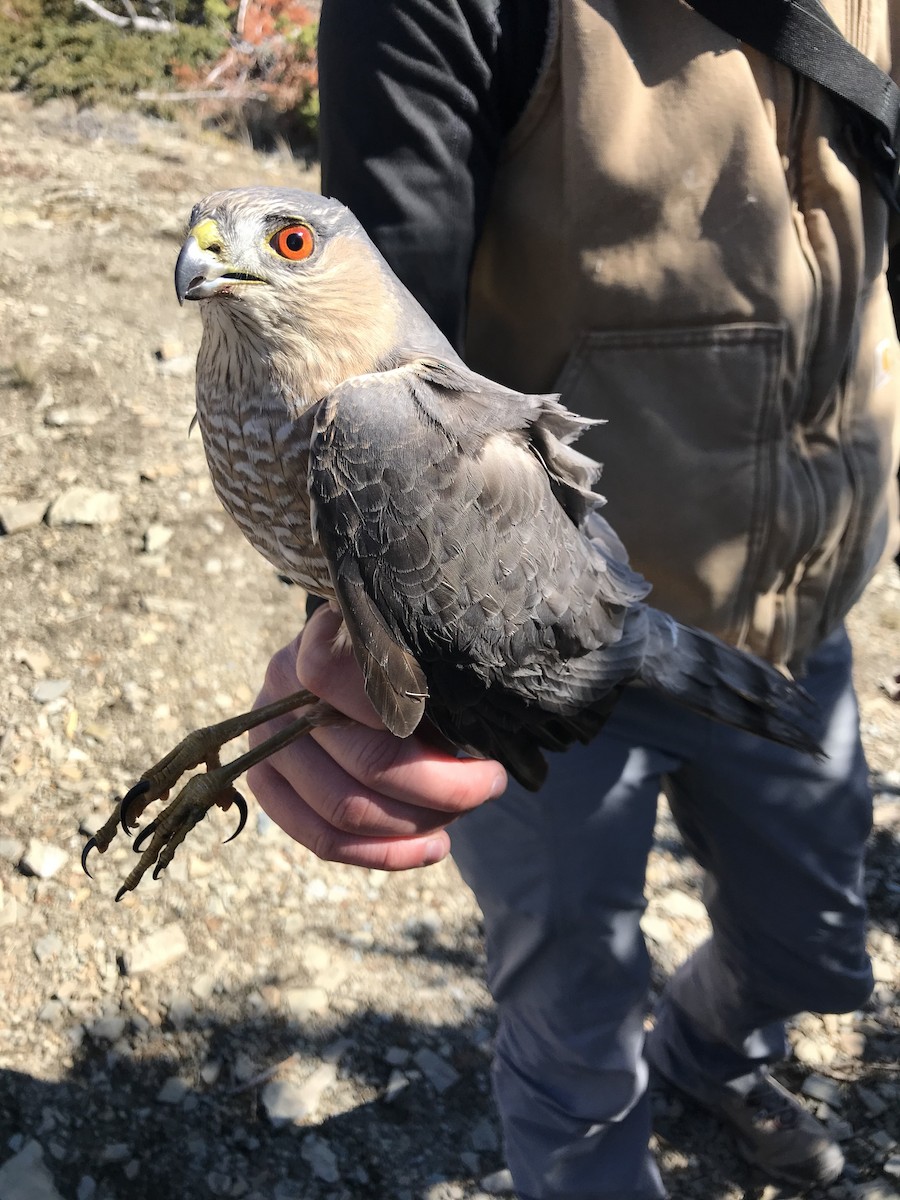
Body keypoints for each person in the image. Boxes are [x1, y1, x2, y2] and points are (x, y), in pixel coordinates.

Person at [247, 3, 900, 1196]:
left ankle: (709, 1059)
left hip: (803, 623)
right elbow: (367, 360)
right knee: (573, 1039)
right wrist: (343, 631)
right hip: (539, 646)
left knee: (816, 959)